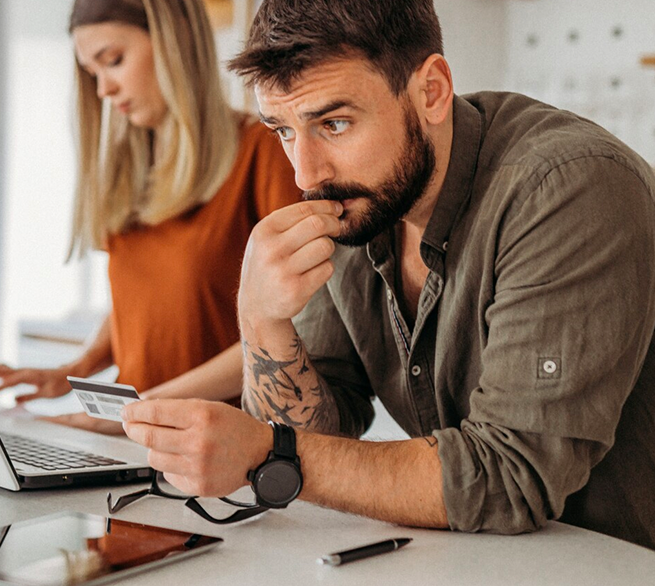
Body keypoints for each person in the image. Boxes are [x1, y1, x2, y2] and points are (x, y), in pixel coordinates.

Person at [121, 0, 655, 549]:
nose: (307, 174)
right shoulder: (364, 204)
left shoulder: (569, 189)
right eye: (284, 130)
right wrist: (261, 319)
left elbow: (507, 477)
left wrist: (267, 452)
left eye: (334, 123)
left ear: (431, 91)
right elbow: (320, 433)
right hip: (486, 558)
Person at [0, 0, 301, 433]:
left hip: (216, 440)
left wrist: (144, 407)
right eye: (93, 74)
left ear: (175, 43)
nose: (103, 90)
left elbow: (292, 332)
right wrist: (75, 369)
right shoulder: (133, 169)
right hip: (131, 432)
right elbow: (140, 300)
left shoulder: (263, 154)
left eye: (113, 61)